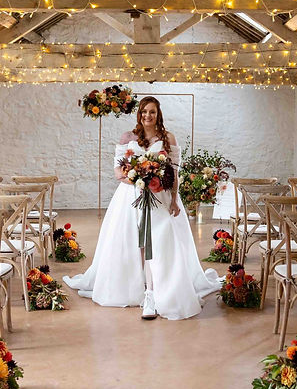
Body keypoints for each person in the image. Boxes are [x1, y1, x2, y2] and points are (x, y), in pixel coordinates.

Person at [63, 97, 220, 320]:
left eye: (152, 112)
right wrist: (138, 179)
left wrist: (174, 199)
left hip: (160, 197)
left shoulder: (168, 138)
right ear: (139, 114)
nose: (148, 116)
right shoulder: (127, 138)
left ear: (158, 115)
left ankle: (154, 292)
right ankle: (135, 288)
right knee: (132, 243)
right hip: (130, 197)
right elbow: (118, 172)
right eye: (144, 111)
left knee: (157, 243)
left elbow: (174, 173)